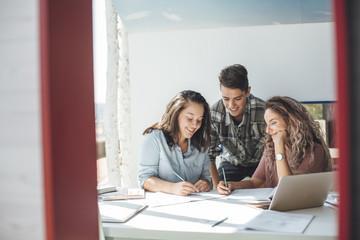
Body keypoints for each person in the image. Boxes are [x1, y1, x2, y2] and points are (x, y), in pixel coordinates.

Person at [217, 96, 332, 194]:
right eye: (267, 124)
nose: (267, 130)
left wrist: (279, 147)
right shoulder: (271, 147)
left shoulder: (314, 151)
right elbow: (256, 181)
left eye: (273, 123)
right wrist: (231, 185)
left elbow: (288, 190)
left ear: (292, 121)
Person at [138, 90, 212, 196]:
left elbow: (206, 178)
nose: (195, 125)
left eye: (199, 120)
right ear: (176, 114)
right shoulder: (154, 139)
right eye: (190, 118)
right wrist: (172, 188)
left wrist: (206, 183)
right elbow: (144, 179)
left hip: (196, 204)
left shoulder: (201, 143)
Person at [209, 64, 266, 190]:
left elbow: (272, 152)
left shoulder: (263, 110)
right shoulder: (214, 114)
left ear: (247, 92)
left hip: (260, 164)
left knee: (270, 191)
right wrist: (216, 186)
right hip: (231, 163)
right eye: (226, 99)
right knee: (222, 190)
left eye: (237, 99)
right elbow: (209, 156)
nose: (231, 105)